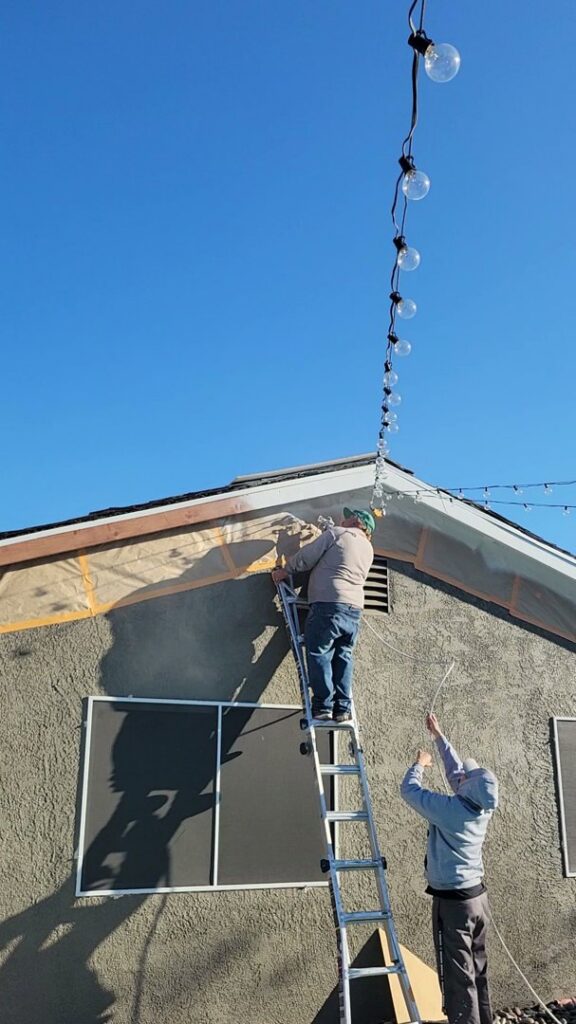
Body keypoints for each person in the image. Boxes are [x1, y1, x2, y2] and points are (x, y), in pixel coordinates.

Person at [400, 713, 499, 1024]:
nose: (462, 778)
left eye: (467, 779)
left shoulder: (451, 811)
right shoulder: (477, 807)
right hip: (476, 900)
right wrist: (439, 736)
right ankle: (482, 1018)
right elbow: (456, 772)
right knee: (477, 966)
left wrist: (419, 764)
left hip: (455, 904)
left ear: (468, 789)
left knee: (459, 974)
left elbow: (410, 792)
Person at [271, 507, 375, 723]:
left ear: (355, 521)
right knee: (343, 655)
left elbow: (307, 557)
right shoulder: (368, 548)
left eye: (346, 517)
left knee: (319, 652)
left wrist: (285, 570)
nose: (341, 519)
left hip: (329, 603)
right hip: (354, 609)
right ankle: (342, 709)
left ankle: (323, 706)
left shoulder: (337, 534)